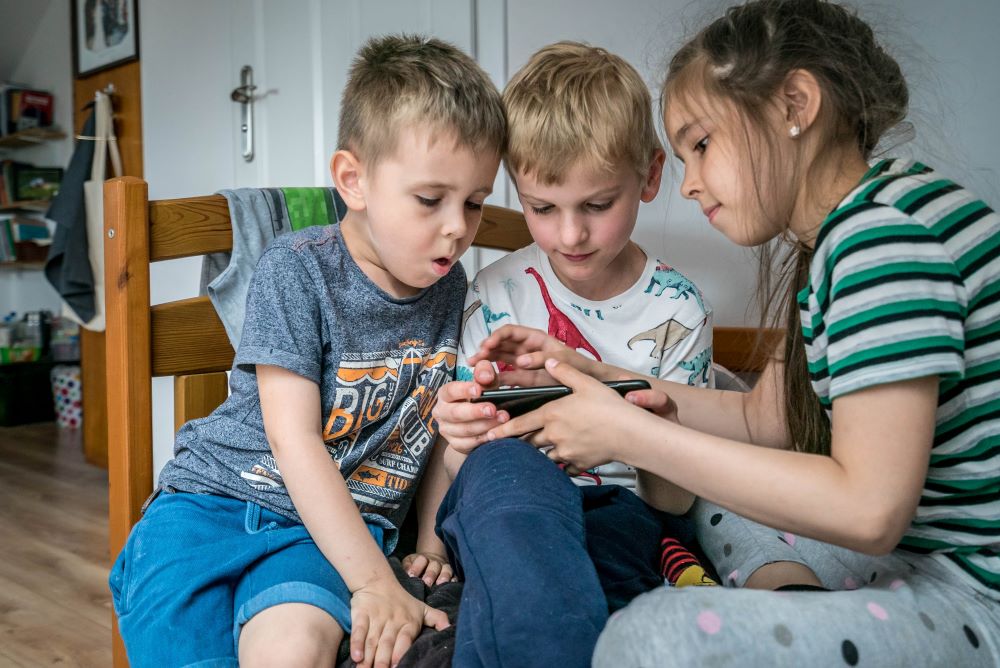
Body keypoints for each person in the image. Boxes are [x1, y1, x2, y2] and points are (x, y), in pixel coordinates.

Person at [466, 1, 1000, 665]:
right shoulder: (866, 222)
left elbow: (869, 510)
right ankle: (797, 614)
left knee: (651, 635)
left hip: (975, 594)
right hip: (926, 555)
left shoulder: (881, 243)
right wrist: (606, 379)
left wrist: (627, 435)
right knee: (726, 499)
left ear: (794, 105)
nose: (688, 184)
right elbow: (764, 419)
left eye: (701, 144)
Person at [107, 34, 505, 668]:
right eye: (431, 200)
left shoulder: (453, 287)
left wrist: (426, 537)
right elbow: (295, 441)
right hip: (211, 506)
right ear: (353, 180)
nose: (457, 227)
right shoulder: (298, 269)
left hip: (327, 535)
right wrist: (375, 583)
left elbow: (440, 424)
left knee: (291, 652)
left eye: (476, 203)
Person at [407, 42, 716, 668]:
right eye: (542, 209)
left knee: (600, 572)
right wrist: (428, 545)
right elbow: (457, 441)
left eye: (597, 206)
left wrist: (638, 428)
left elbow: (674, 502)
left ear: (651, 176)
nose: (570, 235)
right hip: (506, 499)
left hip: (621, 510)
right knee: (504, 475)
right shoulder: (494, 292)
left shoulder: (678, 310)